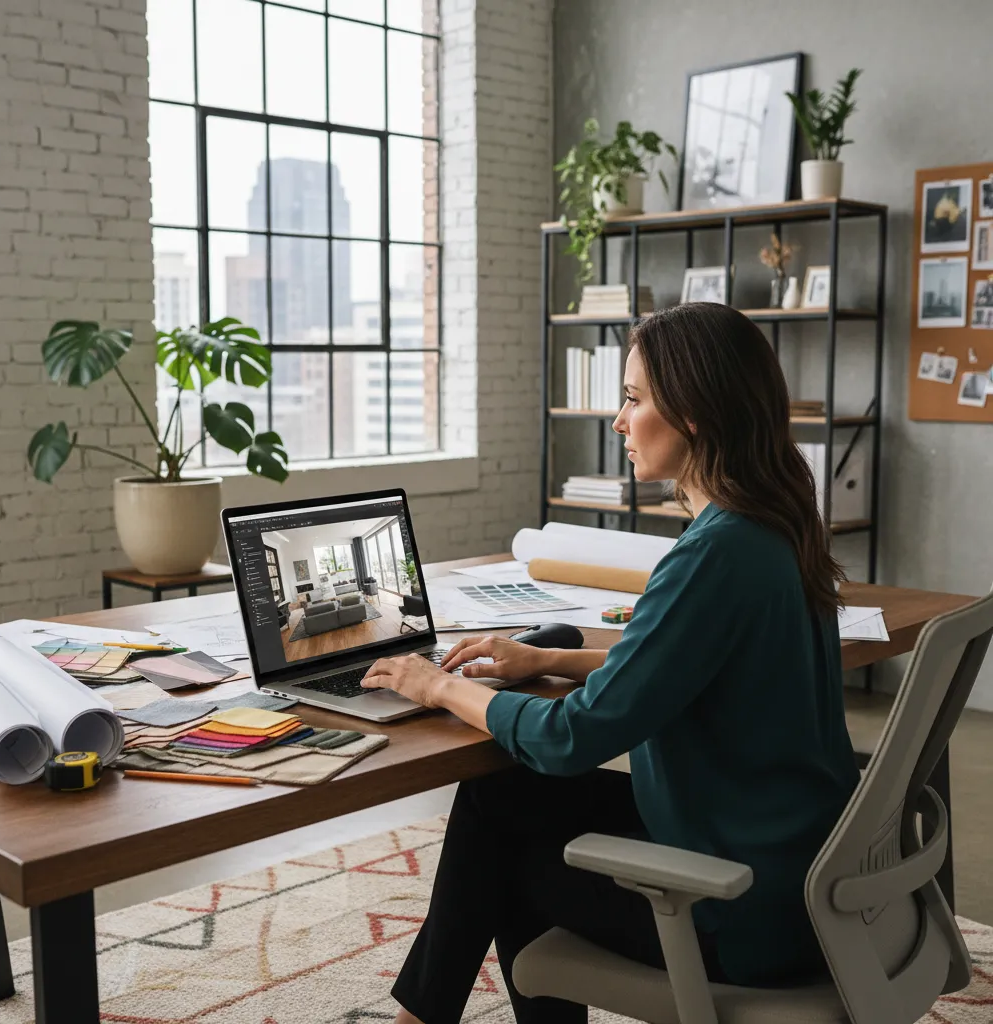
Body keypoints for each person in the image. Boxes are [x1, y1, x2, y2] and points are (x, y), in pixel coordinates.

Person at [362, 303, 861, 1024]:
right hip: (790, 865)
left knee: (505, 854)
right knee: (499, 798)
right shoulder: (773, 524)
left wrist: (435, 684)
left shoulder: (715, 553)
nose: (619, 421)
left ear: (693, 413)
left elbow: (570, 739)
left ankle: (419, 1018)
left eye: (633, 398)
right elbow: (683, 659)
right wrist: (545, 656)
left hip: (739, 910)